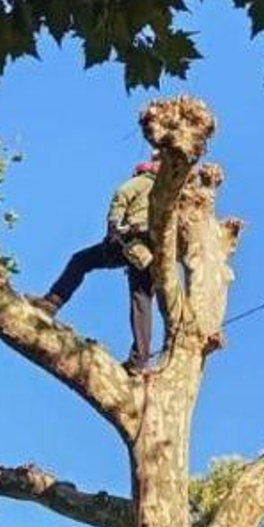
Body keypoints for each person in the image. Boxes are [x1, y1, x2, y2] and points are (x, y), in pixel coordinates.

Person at [27, 158, 158, 371]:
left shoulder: (142, 181)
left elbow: (121, 196)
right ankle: (139, 361)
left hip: (133, 240)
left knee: (81, 260)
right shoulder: (170, 196)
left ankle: (52, 302)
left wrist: (113, 230)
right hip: (156, 251)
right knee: (141, 300)